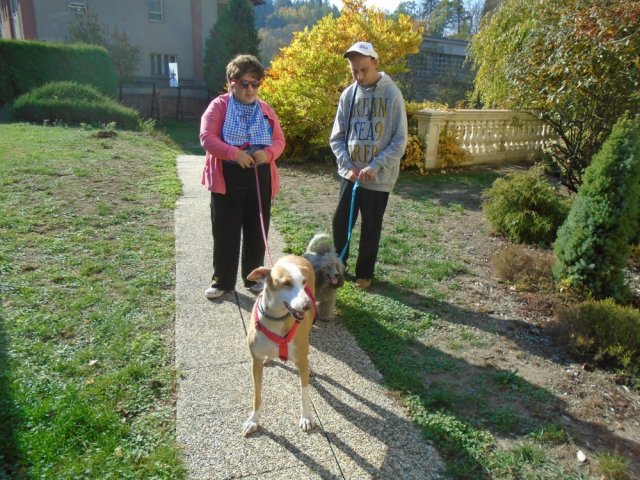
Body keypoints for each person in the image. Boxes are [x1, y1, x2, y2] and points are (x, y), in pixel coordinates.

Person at [200, 54, 285, 299]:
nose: (250, 89)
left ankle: (254, 279)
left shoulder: (266, 110)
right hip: (227, 177)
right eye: (244, 83)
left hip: (259, 176)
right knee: (225, 231)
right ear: (231, 83)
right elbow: (207, 138)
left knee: (257, 230)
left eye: (255, 83)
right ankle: (222, 282)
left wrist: (268, 154)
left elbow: (279, 140)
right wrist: (234, 154)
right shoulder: (219, 106)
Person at [330, 41, 408, 290]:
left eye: (363, 69)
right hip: (351, 174)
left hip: (379, 177)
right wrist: (347, 165)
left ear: (375, 62)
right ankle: (338, 268)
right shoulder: (348, 95)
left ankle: (364, 273)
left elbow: (399, 140)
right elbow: (336, 137)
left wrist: (375, 165)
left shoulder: (392, 93)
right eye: (354, 71)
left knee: (371, 226)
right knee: (340, 222)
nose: (359, 76)